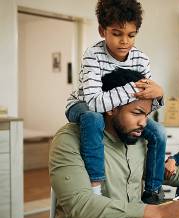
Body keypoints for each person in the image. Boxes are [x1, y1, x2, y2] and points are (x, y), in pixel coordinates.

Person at [49, 68, 179, 218]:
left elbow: (157, 172)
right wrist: (161, 212)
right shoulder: (69, 139)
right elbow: (80, 206)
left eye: (147, 114)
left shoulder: (138, 137)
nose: (144, 122)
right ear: (110, 107)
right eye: (136, 113)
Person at [65, 0, 166, 204]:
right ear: (102, 31)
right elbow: (94, 102)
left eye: (131, 35)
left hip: (113, 109)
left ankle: (153, 190)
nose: (124, 41)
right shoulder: (93, 56)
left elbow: (143, 105)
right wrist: (133, 88)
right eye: (117, 33)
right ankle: (96, 187)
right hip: (82, 103)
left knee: (159, 133)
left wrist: (159, 94)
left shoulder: (141, 59)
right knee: (93, 119)